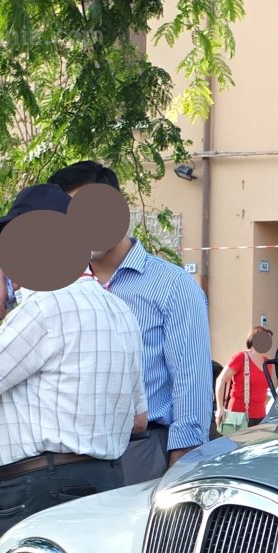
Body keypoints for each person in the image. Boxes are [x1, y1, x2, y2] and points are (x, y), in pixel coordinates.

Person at [0, 183, 146, 540]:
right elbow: (137, 420)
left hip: (38, 488)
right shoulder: (121, 310)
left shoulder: (43, 305)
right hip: (106, 481)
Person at [47, 160, 213, 484]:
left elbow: (191, 386)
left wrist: (181, 471)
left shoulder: (172, 286)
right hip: (70, 456)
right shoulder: (61, 288)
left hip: (144, 452)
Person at [215, 326, 275, 431]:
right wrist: (220, 409)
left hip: (261, 417)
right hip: (238, 416)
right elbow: (221, 380)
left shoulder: (268, 363)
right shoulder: (241, 357)